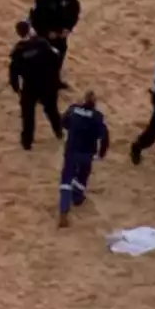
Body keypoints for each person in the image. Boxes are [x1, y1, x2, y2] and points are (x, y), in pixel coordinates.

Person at [57, 90, 109, 228]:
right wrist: (101, 153)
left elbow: (64, 122)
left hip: (72, 151)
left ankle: (63, 210)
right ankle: (78, 197)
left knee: (66, 180)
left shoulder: (73, 110)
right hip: (87, 154)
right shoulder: (98, 117)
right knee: (82, 176)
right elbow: (104, 137)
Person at [9, 20, 63, 150]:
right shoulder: (41, 43)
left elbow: (13, 72)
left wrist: (16, 88)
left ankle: (27, 142)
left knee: (28, 115)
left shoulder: (18, 50)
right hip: (46, 83)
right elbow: (56, 58)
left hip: (30, 86)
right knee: (51, 109)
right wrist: (55, 79)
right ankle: (59, 132)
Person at [27, 0, 81, 89]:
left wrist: (68, 28)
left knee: (59, 56)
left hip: (60, 34)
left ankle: (55, 80)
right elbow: (35, 19)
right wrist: (47, 32)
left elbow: (75, 11)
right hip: (45, 35)